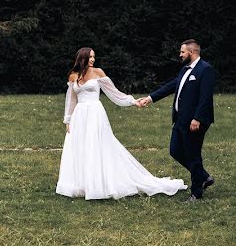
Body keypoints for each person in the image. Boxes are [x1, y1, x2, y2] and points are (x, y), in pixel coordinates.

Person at [57, 47, 187, 200]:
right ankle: (82, 184)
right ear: (82, 58)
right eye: (90, 57)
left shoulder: (98, 72)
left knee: (97, 145)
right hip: (79, 115)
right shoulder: (74, 76)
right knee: (80, 147)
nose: (93, 60)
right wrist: (68, 120)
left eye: (94, 57)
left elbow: (114, 92)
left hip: (95, 113)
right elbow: (71, 100)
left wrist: (132, 101)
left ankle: (99, 184)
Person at [137, 40, 216, 202]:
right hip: (180, 120)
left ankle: (196, 193)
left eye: (182, 52)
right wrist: (150, 98)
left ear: (192, 52)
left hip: (195, 121)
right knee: (175, 150)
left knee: (193, 155)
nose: (180, 55)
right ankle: (203, 176)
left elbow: (206, 97)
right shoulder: (185, 70)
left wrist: (197, 118)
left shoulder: (205, 69)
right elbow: (171, 86)